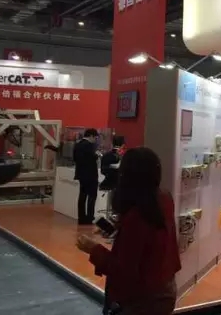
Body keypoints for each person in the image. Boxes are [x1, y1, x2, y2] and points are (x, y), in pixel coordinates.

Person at [76, 147, 181, 315]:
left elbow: (123, 270)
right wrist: (118, 229)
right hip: (165, 289)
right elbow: (151, 241)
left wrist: (93, 249)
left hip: (142, 300)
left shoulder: (137, 216)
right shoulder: (164, 198)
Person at [74, 128, 100, 225]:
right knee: (92, 196)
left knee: (82, 196)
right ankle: (90, 217)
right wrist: (97, 155)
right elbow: (92, 158)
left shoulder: (78, 144)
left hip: (81, 174)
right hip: (90, 175)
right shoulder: (89, 145)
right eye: (95, 138)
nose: (95, 140)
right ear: (91, 136)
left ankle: (81, 217)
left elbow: (75, 158)